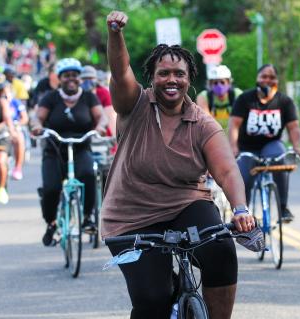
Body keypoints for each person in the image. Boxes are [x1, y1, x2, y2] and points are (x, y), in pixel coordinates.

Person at [102, 11, 255, 319]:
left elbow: (225, 170)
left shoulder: (202, 123)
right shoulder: (135, 106)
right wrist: (116, 34)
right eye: (164, 73)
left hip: (186, 205)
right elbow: (120, 73)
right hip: (131, 216)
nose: (172, 79)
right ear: (152, 77)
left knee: (222, 250)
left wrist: (240, 209)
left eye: (179, 73)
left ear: (189, 79)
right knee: (153, 301)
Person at [31, 57, 108, 246]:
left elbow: (101, 117)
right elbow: (37, 118)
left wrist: (100, 128)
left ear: (80, 78)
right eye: (66, 76)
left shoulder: (89, 97)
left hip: (81, 148)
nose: (71, 79)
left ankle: (87, 217)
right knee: (51, 189)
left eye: (75, 75)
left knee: (89, 174)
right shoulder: (51, 98)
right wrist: (37, 127)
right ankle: (51, 223)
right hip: (55, 150)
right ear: (60, 78)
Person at [228, 64, 300, 223]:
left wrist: (297, 147)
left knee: (279, 161)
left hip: (271, 144)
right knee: (244, 177)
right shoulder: (245, 99)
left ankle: (283, 208)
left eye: (271, 77)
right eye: (263, 76)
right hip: (247, 147)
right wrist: (234, 148)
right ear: (257, 78)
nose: (267, 80)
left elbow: (294, 127)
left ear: (276, 80)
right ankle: (243, 214)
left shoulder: (284, 101)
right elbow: (234, 124)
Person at [0, 82, 29, 180]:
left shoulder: (16, 103)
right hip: (1, 130)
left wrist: (17, 124)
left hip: (14, 128)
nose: (5, 95)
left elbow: (25, 118)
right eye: (2, 93)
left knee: (19, 138)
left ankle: (18, 167)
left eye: (7, 92)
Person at [80, 65, 117, 140]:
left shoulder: (103, 93)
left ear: (96, 79)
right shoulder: (76, 94)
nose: (87, 81)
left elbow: (109, 116)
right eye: (84, 78)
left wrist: (114, 138)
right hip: (81, 135)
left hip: (100, 134)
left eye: (90, 78)